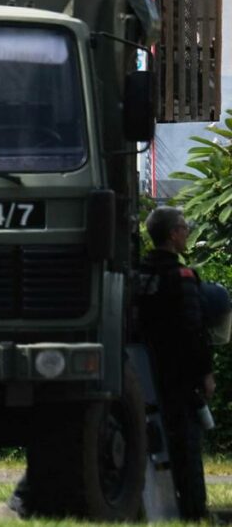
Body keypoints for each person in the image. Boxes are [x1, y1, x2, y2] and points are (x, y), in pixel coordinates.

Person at [139, 206, 215, 521]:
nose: (187, 232)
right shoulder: (182, 277)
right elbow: (193, 330)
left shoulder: (139, 274)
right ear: (173, 234)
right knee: (186, 446)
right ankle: (194, 511)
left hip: (144, 373)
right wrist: (206, 373)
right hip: (180, 377)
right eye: (184, 227)